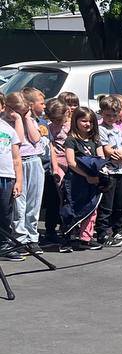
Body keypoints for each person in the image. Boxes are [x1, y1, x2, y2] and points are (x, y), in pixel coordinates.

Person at [4, 92, 43, 253]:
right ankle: (20, 237)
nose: (21, 114)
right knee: (19, 204)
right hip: (18, 163)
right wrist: (18, 120)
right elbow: (18, 140)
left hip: (34, 160)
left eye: (24, 111)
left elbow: (35, 139)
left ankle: (32, 237)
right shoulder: (6, 123)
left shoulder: (30, 120)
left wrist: (27, 119)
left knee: (34, 203)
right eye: (18, 112)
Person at [60, 107, 104, 251]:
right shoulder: (71, 140)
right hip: (75, 180)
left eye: (90, 122)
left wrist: (97, 174)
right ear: (76, 121)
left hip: (93, 179)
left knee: (92, 207)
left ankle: (86, 238)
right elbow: (71, 162)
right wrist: (86, 176)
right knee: (72, 208)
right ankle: (67, 238)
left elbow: (101, 158)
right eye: (84, 121)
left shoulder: (95, 140)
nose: (87, 124)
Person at [94, 96, 122, 246]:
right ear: (102, 113)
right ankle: (102, 232)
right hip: (108, 171)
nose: (111, 118)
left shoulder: (119, 129)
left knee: (120, 203)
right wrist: (118, 154)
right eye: (107, 115)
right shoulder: (101, 129)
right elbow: (107, 149)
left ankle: (118, 228)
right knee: (106, 204)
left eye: (114, 115)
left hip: (121, 170)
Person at [41, 99, 70, 245]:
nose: (56, 122)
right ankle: (50, 229)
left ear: (67, 113)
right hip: (56, 164)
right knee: (55, 198)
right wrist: (55, 168)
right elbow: (51, 146)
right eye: (53, 120)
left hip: (71, 163)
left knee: (69, 198)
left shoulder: (71, 126)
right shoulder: (50, 128)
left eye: (59, 119)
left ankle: (68, 227)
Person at [0, 107, 24, 261]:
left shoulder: (8, 130)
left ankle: (3, 245)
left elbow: (16, 158)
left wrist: (19, 181)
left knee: (4, 213)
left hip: (6, 177)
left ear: (2, 107)